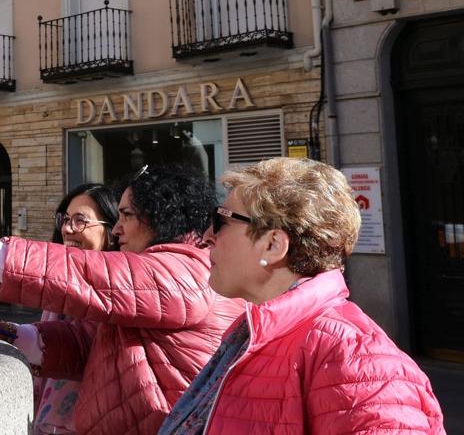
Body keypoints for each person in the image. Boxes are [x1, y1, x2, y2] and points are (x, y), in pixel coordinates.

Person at [0, 163, 242, 435]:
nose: (118, 229)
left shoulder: (184, 272)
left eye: (127, 216)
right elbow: (91, 346)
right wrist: (9, 334)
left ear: (162, 217)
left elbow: (79, 273)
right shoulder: (172, 275)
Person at [159, 157, 444, 434]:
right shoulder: (251, 336)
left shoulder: (355, 356)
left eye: (221, 221)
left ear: (273, 245)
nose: (207, 235)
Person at [32, 183, 118, 435]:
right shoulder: (60, 286)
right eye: (66, 219)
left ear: (111, 230)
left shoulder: (117, 293)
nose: (68, 229)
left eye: (80, 220)